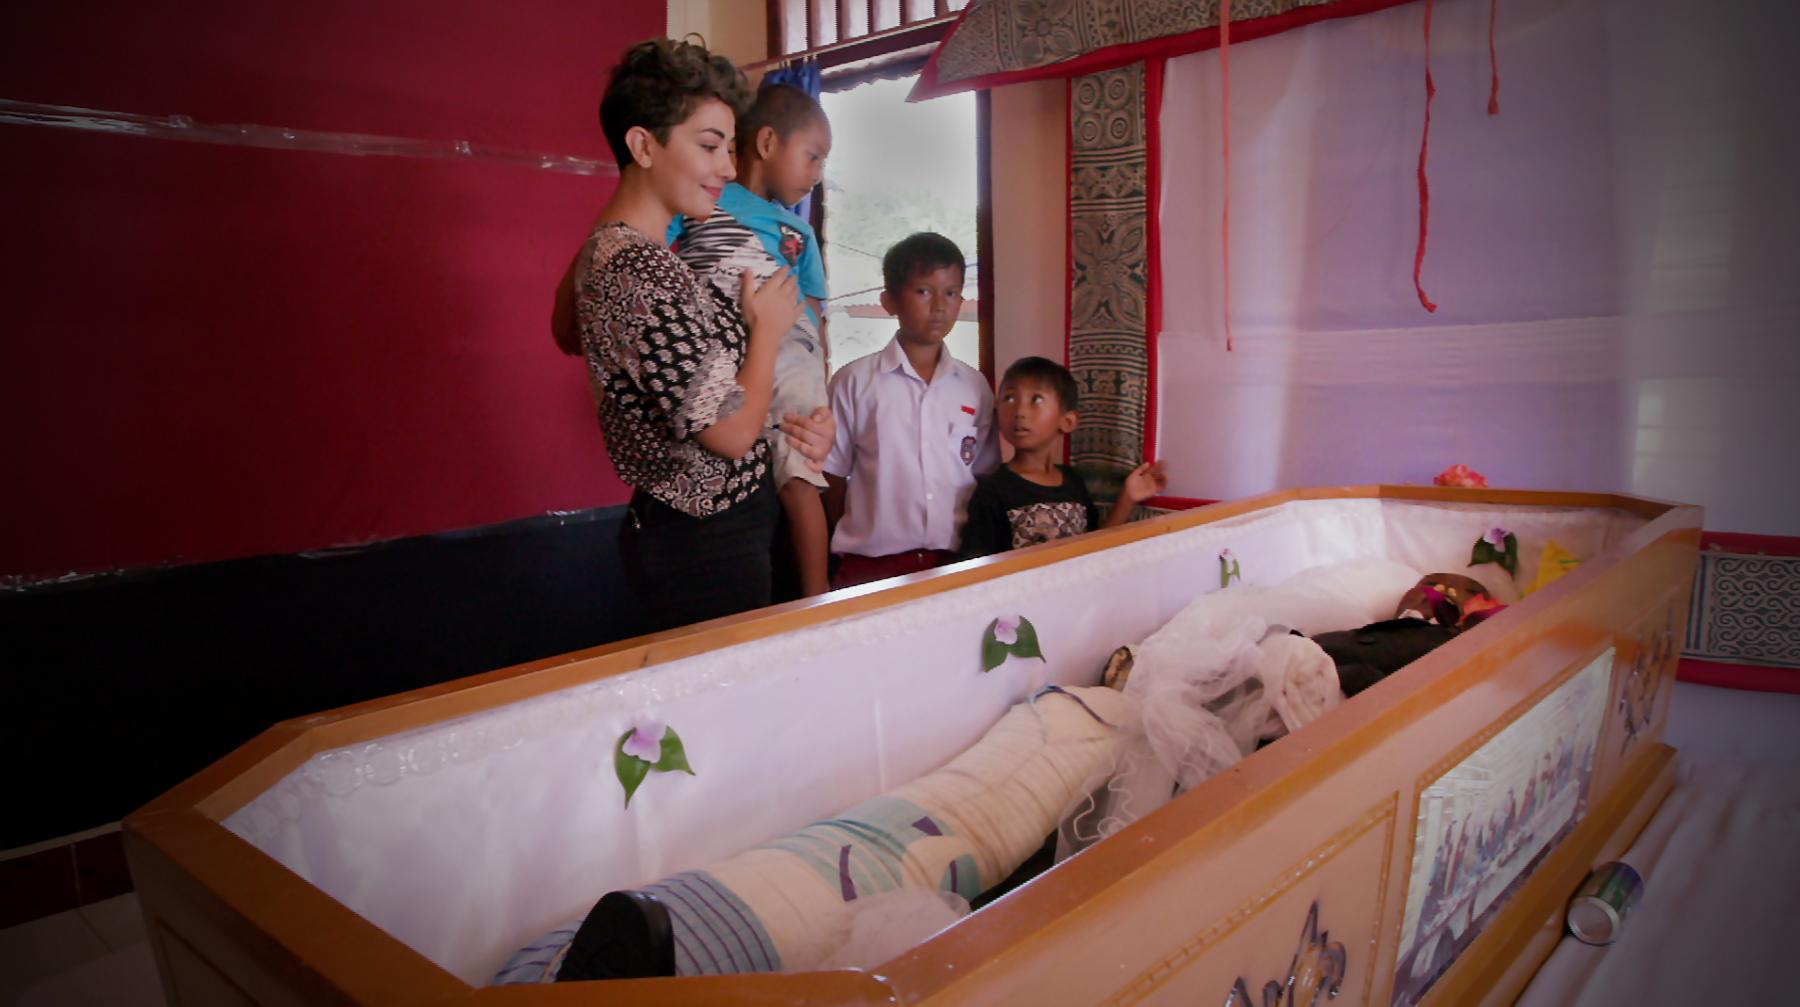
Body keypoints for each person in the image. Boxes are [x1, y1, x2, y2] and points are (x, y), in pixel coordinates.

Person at [564, 38, 831, 633]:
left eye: (730, 148)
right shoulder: (639, 266)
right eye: (710, 146)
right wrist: (765, 332)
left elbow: (567, 330)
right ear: (643, 145)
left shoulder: (631, 251)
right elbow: (733, 434)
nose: (728, 169)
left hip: (710, 526)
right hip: (705, 538)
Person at [666, 84, 834, 597]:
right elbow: (658, 247)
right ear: (766, 143)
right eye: (813, 156)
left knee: (799, 471)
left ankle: (816, 596)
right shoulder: (703, 199)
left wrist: (820, 396)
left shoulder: (797, 233)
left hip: (786, 347)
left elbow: (813, 314)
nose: (817, 174)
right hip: (724, 361)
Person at [823, 232, 999, 589]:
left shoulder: (974, 386)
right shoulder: (854, 382)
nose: (939, 306)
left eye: (951, 293)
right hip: (869, 567)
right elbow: (832, 478)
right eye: (923, 291)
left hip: (957, 563)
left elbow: (983, 475)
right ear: (890, 301)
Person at [956, 357, 1165, 560]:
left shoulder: (1074, 481)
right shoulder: (992, 491)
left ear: (1067, 421)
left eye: (1036, 399)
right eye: (1009, 398)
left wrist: (1127, 498)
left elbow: (1096, 548)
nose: (1019, 411)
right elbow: (976, 569)